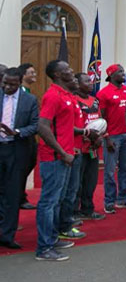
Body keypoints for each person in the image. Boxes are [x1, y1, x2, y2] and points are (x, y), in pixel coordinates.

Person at [35, 60, 78, 261]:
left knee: (58, 200)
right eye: (67, 69)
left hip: (65, 155)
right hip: (54, 158)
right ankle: (44, 248)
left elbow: (64, 127)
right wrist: (62, 151)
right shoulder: (52, 96)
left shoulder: (66, 94)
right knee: (49, 202)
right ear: (58, 75)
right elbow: (42, 126)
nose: (71, 71)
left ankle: (52, 238)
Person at [0, 68, 38, 249]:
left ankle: (7, 235)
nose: (7, 87)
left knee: (13, 194)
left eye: (12, 84)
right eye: (5, 83)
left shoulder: (29, 100)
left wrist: (16, 132)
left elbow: (35, 125)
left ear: (19, 82)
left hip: (16, 150)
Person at [96, 64, 126, 214]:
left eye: (123, 71)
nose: (123, 74)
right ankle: (109, 201)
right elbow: (101, 117)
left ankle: (123, 198)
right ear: (111, 75)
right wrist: (106, 137)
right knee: (110, 171)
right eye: (120, 72)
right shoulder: (104, 93)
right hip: (113, 136)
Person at [57, 76, 89, 241]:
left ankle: (66, 221)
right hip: (69, 150)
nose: (77, 84)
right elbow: (66, 126)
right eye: (75, 80)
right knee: (67, 191)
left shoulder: (72, 100)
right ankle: (63, 226)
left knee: (72, 189)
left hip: (77, 149)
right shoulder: (62, 99)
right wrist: (85, 132)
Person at [74, 73, 105, 221]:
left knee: (90, 181)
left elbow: (100, 121)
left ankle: (88, 209)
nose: (90, 83)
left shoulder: (95, 101)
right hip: (79, 147)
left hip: (93, 148)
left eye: (90, 80)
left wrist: (100, 137)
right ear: (77, 84)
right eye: (86, 81)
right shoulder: (74, 100)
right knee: (76, 182)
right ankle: (73, 211)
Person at [17, 63, 38, 210]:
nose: (34, 74)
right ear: (23, 75)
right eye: (31, 72)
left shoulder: (28, 93)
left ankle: (21, 196)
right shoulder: (20, 93)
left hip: (29, 135)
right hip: (20, 137)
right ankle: (19, 198)